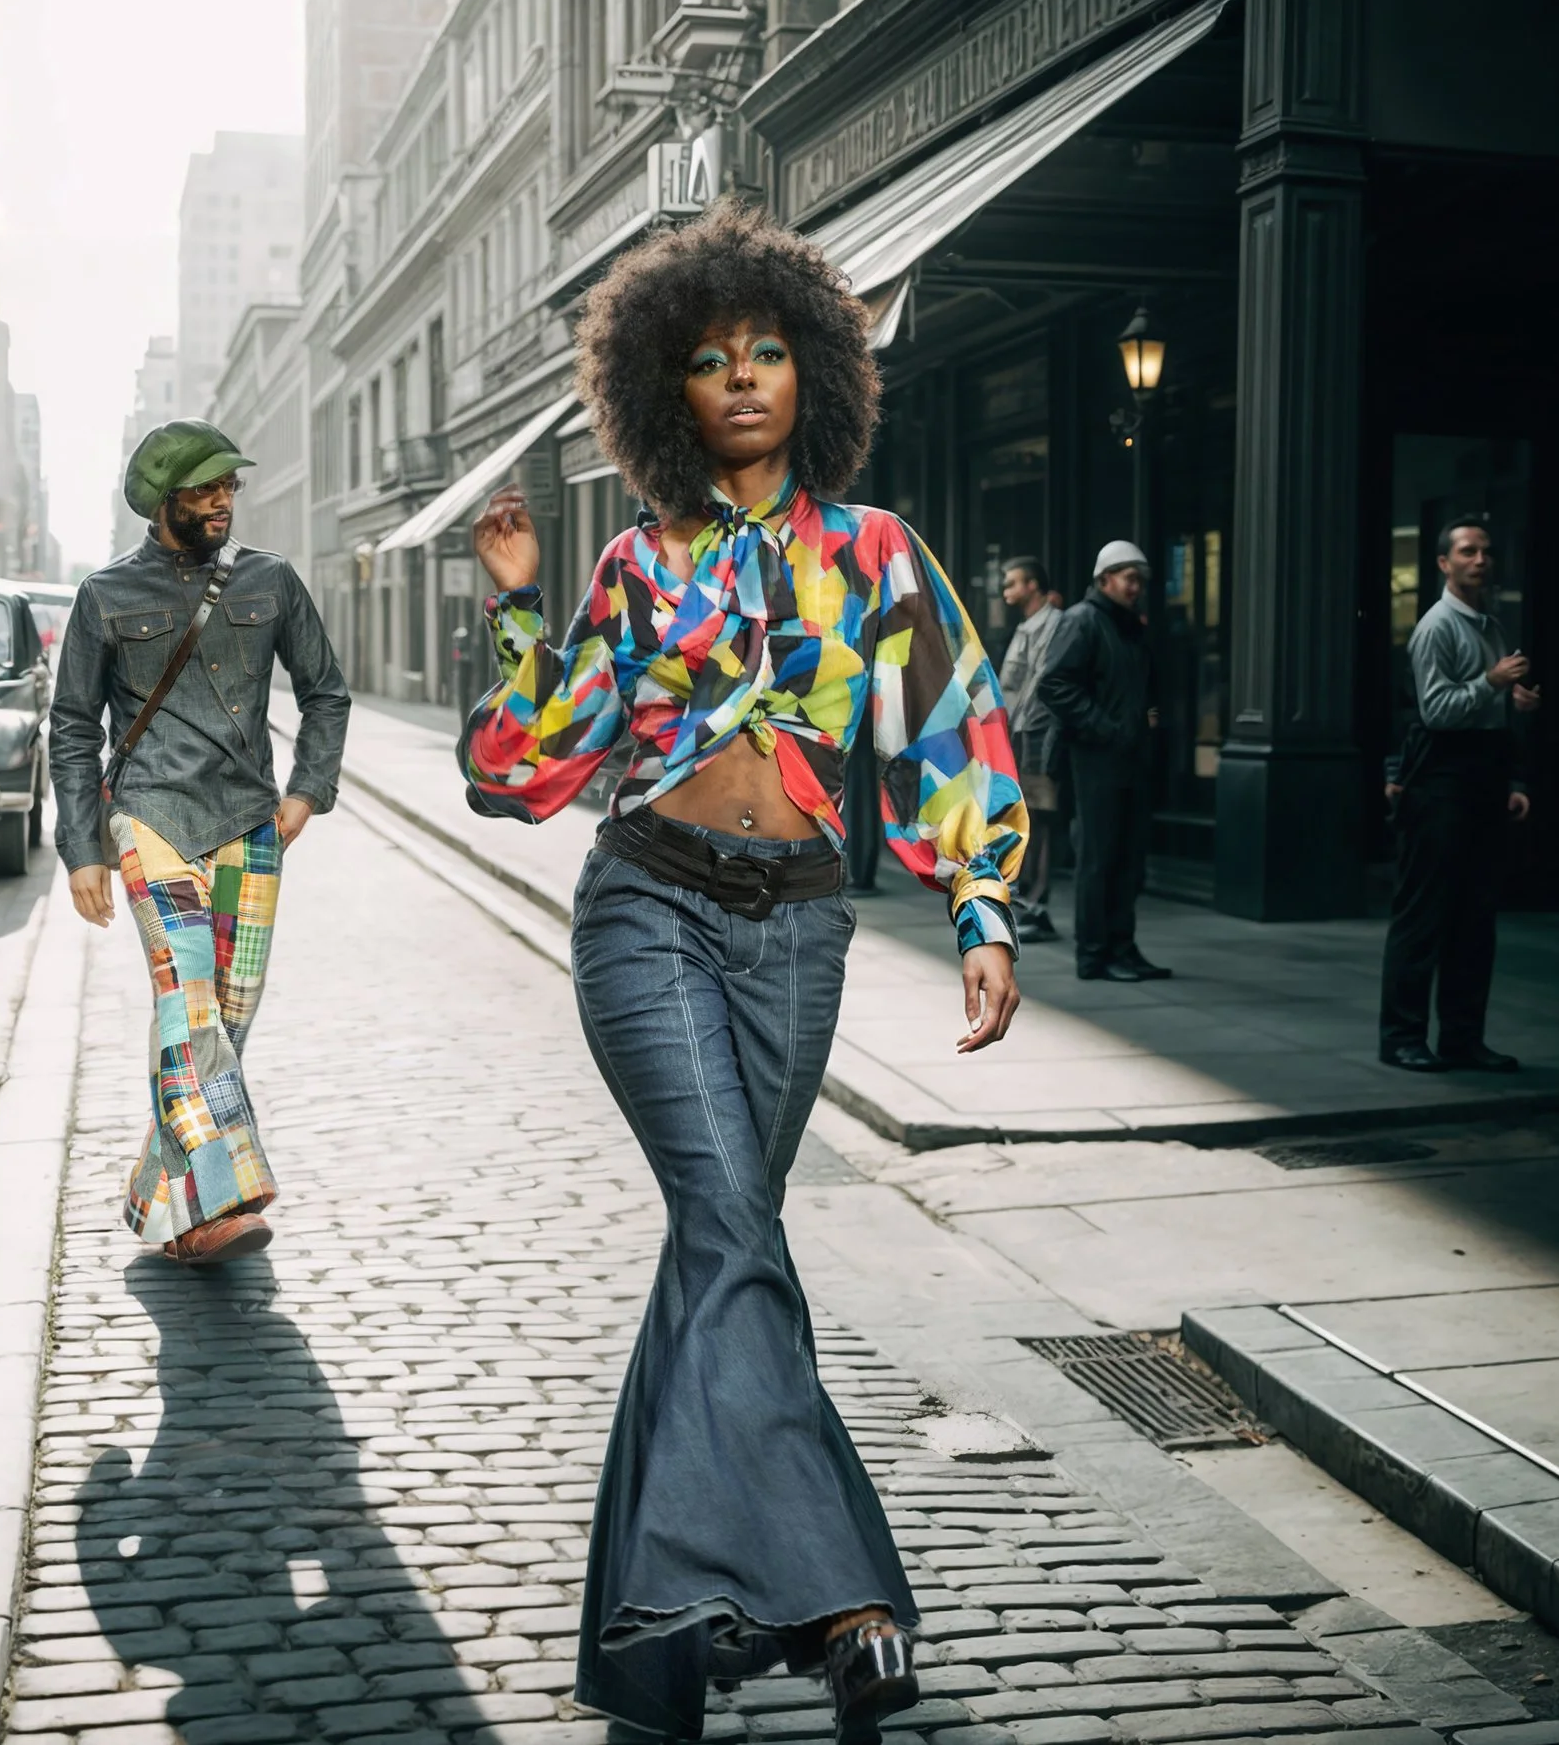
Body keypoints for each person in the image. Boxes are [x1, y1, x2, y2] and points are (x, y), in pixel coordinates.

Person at [459, 202, 1029, 1745]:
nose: (745, 377)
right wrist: (517, 599)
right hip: (646, 911)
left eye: (770, 349)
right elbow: (518, 772)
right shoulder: (639, 568)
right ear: (670, 394)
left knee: (720, 1258)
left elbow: (947, 728)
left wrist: (981, 898)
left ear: (816, 371)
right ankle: (850, 1598)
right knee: (727, 1219)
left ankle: (651, 1652)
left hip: (800, 931)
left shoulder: (878, 555)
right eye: (710, 360)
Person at [48, 419, 352, 1264]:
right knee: (188, 1003)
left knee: (232, 1010)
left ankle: (156, 1193)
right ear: (162, 500)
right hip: (151, 817)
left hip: (250, 820)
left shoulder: (272, 579)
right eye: (205, 488)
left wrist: (307, 792)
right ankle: (218, 1200)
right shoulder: (104, 596)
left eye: (230, 486)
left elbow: (326, 692)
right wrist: (84, 849)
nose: (224, 500)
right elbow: (72, 728)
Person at [1378, 516, 1538, 1072]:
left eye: (1486, 551)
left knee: (1475, 918)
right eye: (1468, 551)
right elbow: (1436, 710)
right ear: (1444, 564)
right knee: (1424, 915)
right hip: (1439, 784)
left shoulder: (1489, 625)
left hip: (1482, 780)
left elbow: (1488, 706)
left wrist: (1512, 708)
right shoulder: (1436, 628)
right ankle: (1401, 1037)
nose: (1481, 560)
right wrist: (1491, 683)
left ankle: (1463, 1038)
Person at [1038, 542, 1168, 982]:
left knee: (1128, 859)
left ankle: (1122, 948)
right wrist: (1108, 727)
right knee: (1099, 858)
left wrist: (1142, 721)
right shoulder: (1083, 621)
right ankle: (1094, 954)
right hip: (1092, 760)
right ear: (1104, 579)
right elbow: (1054, 684)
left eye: (1140, 580)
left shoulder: (1128, 627)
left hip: (1126, 758)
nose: (1136, 587)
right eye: (1128, 578)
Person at [995, 556, 1065, 942]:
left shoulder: (1052, 624)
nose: (1006, 590)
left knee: (1038, 820)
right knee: (1024, 819)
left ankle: (1036, 906)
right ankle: (1027, 903)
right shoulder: (1027, 626)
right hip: (1020, 733)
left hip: (1037, 734)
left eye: (1013, 583)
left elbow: (1040, 684)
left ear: (1033, 585)